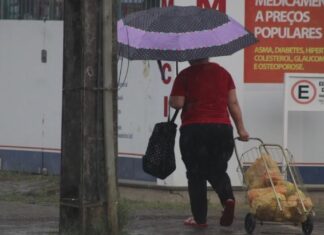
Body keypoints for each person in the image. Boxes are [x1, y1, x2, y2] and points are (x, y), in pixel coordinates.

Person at [169, 58, 249, 228]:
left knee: (195, 174)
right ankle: (228, 199)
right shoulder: (223, 73)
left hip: (194, 130)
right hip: (222, 129)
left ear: (190, 56)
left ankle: (199, 219)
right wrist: (241, 129)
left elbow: (177, 103)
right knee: (218, 169)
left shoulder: (184, 75)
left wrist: (174, 95)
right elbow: (232, 103)